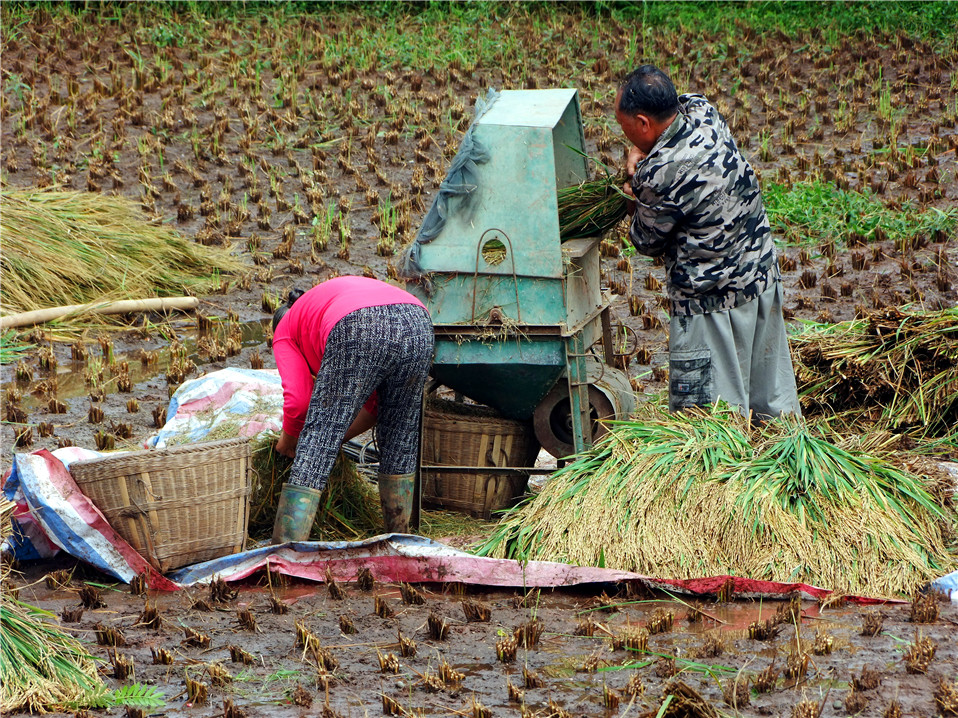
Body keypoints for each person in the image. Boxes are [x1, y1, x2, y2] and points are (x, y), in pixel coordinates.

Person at [614, 65, 800, 418]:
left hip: (709, 300)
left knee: (709, 423)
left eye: (625, 127)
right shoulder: (702, 111)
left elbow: (645, 239)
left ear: (642, 123)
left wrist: (633, 189)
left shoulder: (661, 172)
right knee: (769, 404)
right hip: (760, 277)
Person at [270, 276, 434, 543]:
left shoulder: (285, 330)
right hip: (418, 321)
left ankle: (285, 549)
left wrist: (288, 444)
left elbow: (298, 405)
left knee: (318, 435)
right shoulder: (318, 308)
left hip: (358, 324)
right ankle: (399, 540)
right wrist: (337, 438)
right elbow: (373, 408)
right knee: (399, 434)